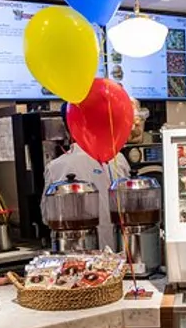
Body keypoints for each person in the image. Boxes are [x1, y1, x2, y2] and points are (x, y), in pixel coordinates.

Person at [43, 104, 131, 251]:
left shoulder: (55, 167)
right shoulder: (118, 159)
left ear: (68, 127)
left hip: (72, 253)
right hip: (119, 251)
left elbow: (47, 217)